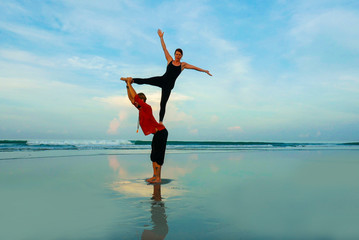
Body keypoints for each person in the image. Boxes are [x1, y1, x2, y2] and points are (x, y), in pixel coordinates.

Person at [121, 29, 212, 124]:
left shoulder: (183, 65)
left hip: (168, 86)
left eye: (179, 55)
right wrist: (161, 37)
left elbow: (194, 67)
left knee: (163, 103)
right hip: (162, 80)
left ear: (181, 56)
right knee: (147, 80)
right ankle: (131, 80)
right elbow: (164, 48)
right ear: (174, 54)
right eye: (176, 54)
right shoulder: (169, 60)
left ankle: (160, 122)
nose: (177, 56)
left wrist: (204, 71)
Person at [123, 77, 168, 183]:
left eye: (137, 100)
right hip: (157, 134)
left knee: (158, 157)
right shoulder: (140, 108)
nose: (135, 102)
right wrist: (127, 85)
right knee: (153, 156)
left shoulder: (147, 107)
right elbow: (131, 99)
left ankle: (158, 178)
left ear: (142, 100)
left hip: (161, 133)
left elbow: (134, 97)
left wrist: (130, 84)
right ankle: (154, 176)